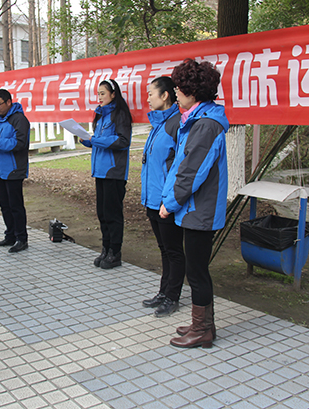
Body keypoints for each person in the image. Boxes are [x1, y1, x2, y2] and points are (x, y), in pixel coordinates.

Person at [160, 58, 229, 349]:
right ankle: (203, 324)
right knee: (197, 269)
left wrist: (170, 203)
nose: (176, 93)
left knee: (197, 271)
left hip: (200, 210)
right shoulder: (196, 120)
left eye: (179, 88)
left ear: (193, 91)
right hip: (195, 208)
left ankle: (202, 331)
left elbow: (191, 172)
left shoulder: (206, 125)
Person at [141, 76, 186, 318]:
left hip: (166, 200)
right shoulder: (158, 124)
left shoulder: (177, 123)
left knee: (173, 250)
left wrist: (168, 199)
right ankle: (164, 291)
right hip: (152, 198)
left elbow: (179, 167)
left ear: (165, 95)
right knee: (164, 249)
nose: (148, 98)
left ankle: (172, 297)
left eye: (151, 93)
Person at [80, 79, 132, 269]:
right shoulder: (101, 115)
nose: (99, 97)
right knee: (102, 213)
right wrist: (88, 140)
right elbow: (100, 140)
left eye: (103, 93)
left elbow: (123, 141)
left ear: (113, 94)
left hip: (113, 171)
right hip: (100, 172)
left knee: (113, 214)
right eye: (98, 94)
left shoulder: (120, 114)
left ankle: (115, 253)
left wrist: (96, 140)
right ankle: (106, 248)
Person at [0, 89, 30, 253]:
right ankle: (10, 235)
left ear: (9, 102)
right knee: (4, 205)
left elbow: (20, 143)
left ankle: (21, 238)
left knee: (15, 205)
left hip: (13, 169)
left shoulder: (19, 119)